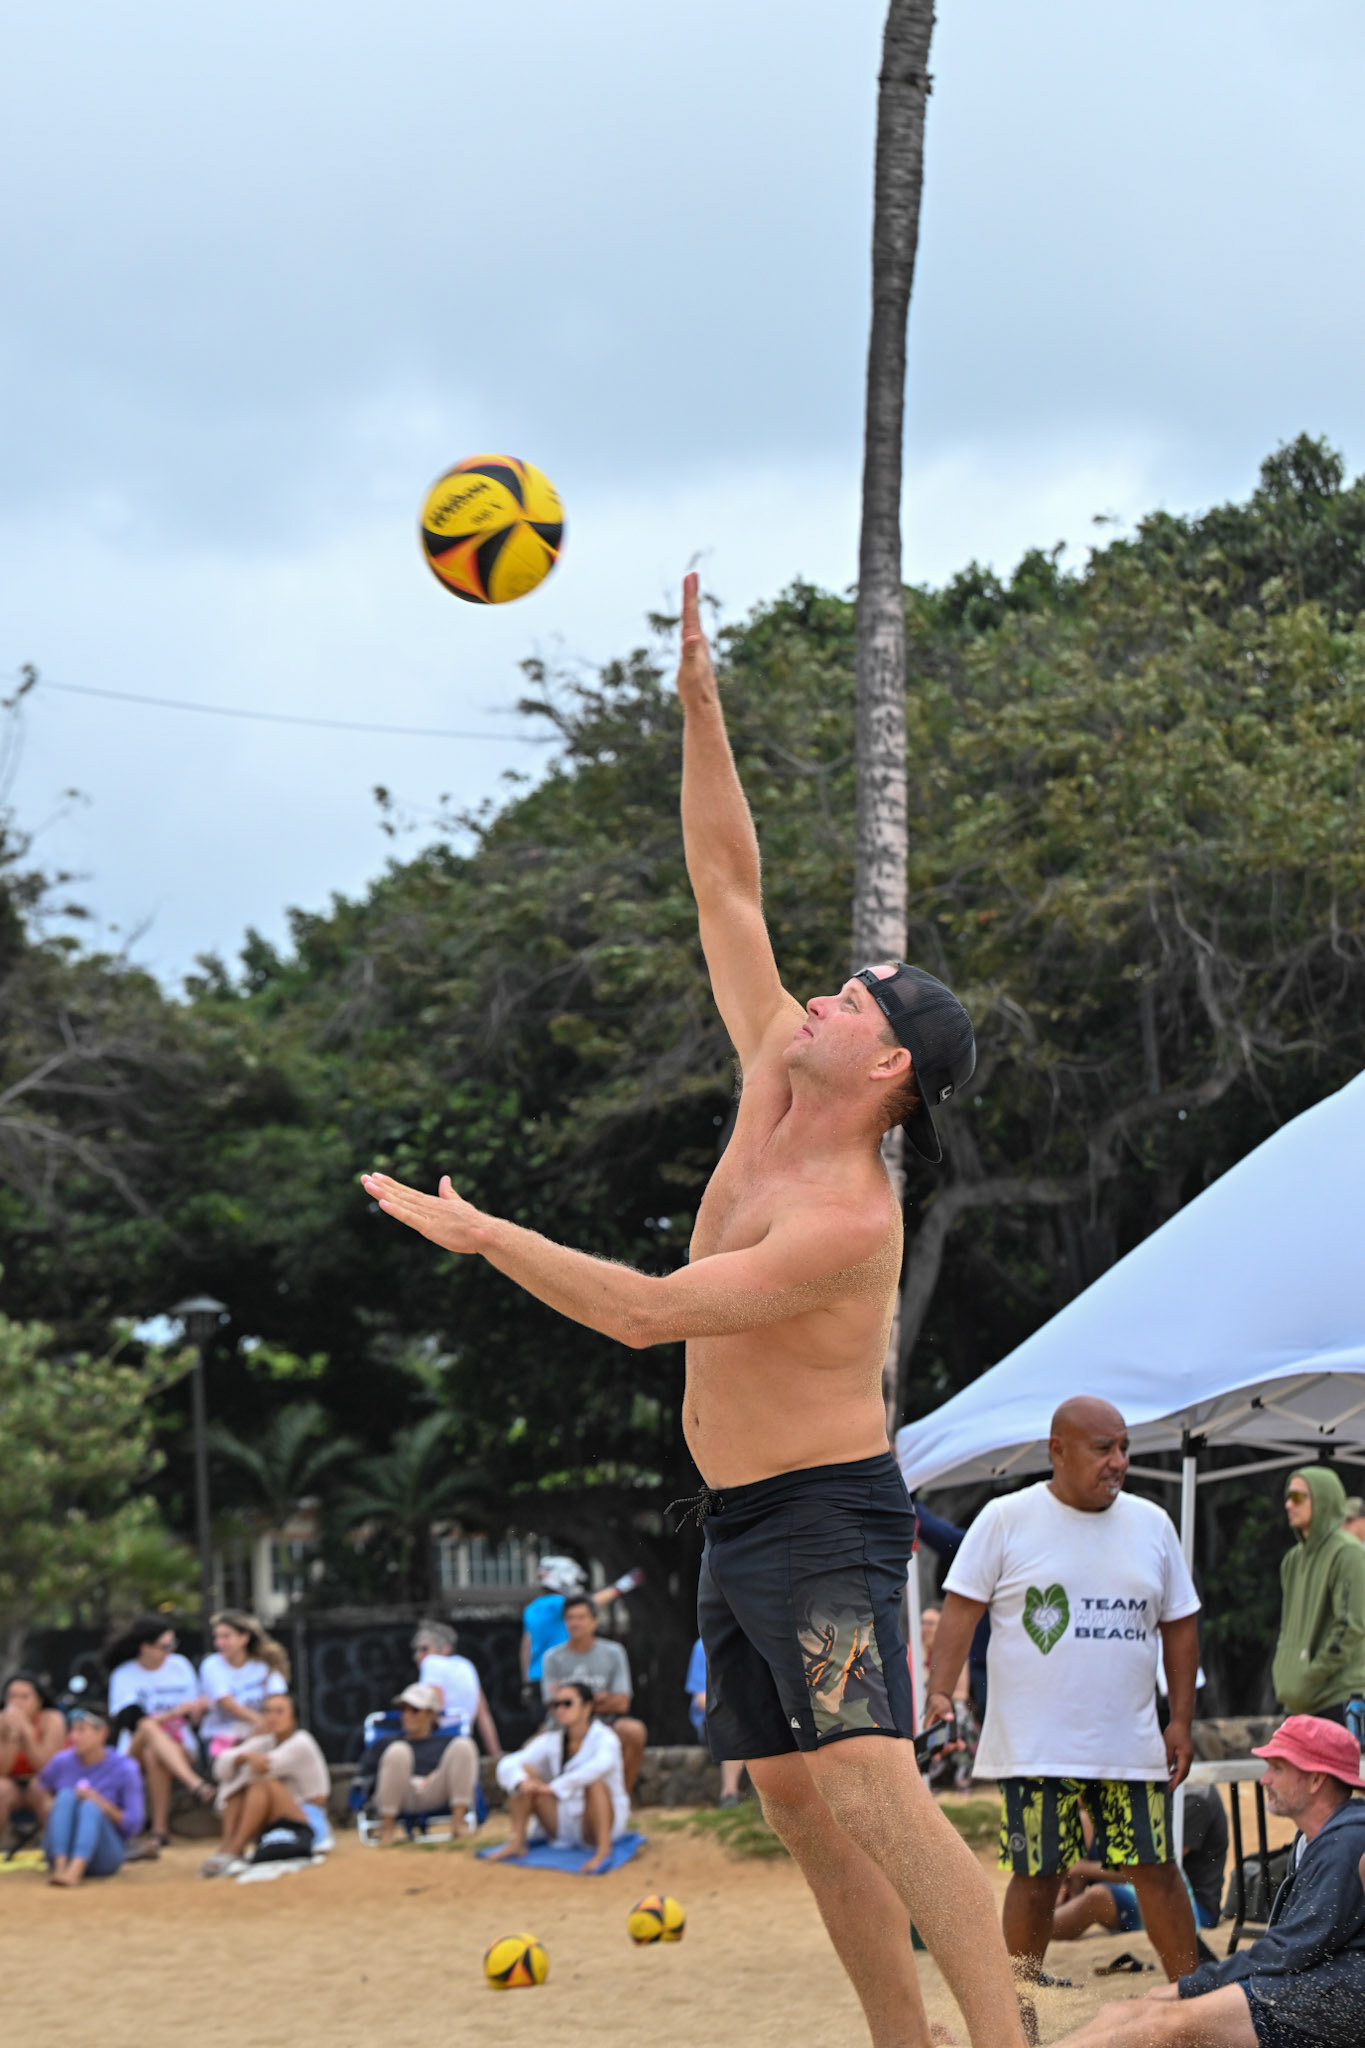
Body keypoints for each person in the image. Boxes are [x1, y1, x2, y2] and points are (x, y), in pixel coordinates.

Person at [363, 573, 1027, 2048]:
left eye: (859, 1000)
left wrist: (484, 1234)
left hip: (827, 1520)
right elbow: (726, 882)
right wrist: (700, 708)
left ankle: (1004, 2038)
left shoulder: (849, 1215)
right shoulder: (770, 1065)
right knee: (794, 1803)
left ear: (890, 1072)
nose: (830, 996)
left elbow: (657, 1316)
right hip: (737, 1521)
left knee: (873, 1791)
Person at [923, 1398, 1202, 1988]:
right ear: (1058, 1450)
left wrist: (1179, 1720)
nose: (1119, 1462)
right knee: (1038, 1873)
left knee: (1155, 1868)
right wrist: (941, 1692)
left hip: (1130, 1742)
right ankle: (1018, 2009)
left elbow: (1180, 1626)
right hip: (1037, 1744)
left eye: (1124, 1448)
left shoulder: (1152, 1524)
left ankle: (1192, 1995)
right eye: (1104, 1449)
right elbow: (960, 1611)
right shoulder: (1005, 1518)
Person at [1056, 1716, 1365, 2047]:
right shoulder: (1318, 1838)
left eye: (1277, 1768)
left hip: (1326, 2003)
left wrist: (1193, 1985)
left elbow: (1290, 1950)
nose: (1264, 1779)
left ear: (1316, 1779)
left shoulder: (1344, 1841)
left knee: (1159, 2023)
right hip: (1306, 1991)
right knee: (1129, 2012)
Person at [1051, 1783, 1227, 1947]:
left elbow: (1152, 1870)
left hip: (1194, 1909)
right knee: (1083, 1823)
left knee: (1098, 1897)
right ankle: (1065, 1900)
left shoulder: (1194, 1799)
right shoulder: (1154, 1786)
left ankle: (1039, 1930)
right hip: (1142, 1880)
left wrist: (1079, 1868)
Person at [490, 1681, 630, 1874]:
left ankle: (603, 1851)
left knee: (595, 1783)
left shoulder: (606, 1739)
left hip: (598, 1824)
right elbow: (508, 1764)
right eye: (556, 1705)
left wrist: (554, 1787)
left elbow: (598, 1767)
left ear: (587, 1707)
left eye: (567, 1703)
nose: (561, 1709)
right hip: (563, 1824)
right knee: (523, 1773)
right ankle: (517, 1842)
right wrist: (522, 1782)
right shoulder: (552, 1740)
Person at [104, 1615, 213, 1844]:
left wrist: (198, 1709)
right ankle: (194, 1784)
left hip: (177, 1744)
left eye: (172, 1645)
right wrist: (173, 1712)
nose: (170, 1651)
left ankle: (159, 1830)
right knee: (148, 1726)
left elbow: (192, 1717)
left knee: (155, 1755)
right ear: (145, 1646)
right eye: (164, 1646)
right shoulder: (124, 1675)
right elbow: (131, 1722)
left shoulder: (180, 1666)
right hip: (134, 1746)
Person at [201, 1691, 330, 1876]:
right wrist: (243, 1756)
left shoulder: (302, 1742)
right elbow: (220, 1767)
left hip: (309, 1822)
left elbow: (261, 1769)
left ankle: (235, 1848)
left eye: (279, 1712)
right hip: (277, 1819)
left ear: (294, 1718)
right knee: (240, 1780)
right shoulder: (264, 1742)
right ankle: (228, 1847)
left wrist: (225, 1792)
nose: (272, 1717)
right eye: (267, 1711)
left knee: (260, 1784)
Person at [1272, 1468, 1365, 1726]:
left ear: (1323, 1500)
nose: (1289, 1504)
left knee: (1339, 1769)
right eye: (1288, 1497)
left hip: (1339, 1696)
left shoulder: (1349, 1553)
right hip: (1298, 1700)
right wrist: (1287, 1676)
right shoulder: (1291, 1560)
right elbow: (1287, 1629)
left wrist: (1309, 1677)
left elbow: (1351, 1627)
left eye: (1299, 1497)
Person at [540, 1593, 647, 1793]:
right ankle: (552, 1797)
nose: (575, 1623)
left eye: (581, 1617)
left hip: (605, 1723)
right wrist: (598, 1699)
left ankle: (620, 1796)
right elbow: (553, 1705)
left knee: (634, 1731)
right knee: (534, 1744)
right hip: (563, 1726)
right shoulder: (552, 1658)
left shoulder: (614, 1652)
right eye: (570, 1618)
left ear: (594, 1621)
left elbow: (622, 1703)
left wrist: (574, 1704)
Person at [31, 1700, 143, 1886]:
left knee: (90, 1806)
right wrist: (47, 1803)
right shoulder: (62, 1761)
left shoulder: (125, 1768)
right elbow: (39, 1783)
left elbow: (133, 1825)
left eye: (82, 1730)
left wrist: (100, 1802)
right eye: (72, 1730)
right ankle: (60, 1867)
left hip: (104, 1857)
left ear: (102, 1733)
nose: (74, 1737)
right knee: (66, 1796)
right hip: (59, 1851)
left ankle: (75, 1869)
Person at [357, 1682, 481, 1845]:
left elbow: (468, 1772)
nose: (407, 1715)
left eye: (414, 1710)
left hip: (436, 1792)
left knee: (464, 1746)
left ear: (431, 1714)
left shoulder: (447, 1743)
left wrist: (434, 1776)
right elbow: (364, 1777)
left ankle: (458, 1825)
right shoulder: (385, 1743)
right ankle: (387, 1830)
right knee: (398, 1751)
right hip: (399, 1796)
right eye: (403, 1709)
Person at [519, 1557, 641, 1702]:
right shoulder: (558, 1604)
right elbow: (590, 1603)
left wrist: (526, 1681)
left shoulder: (531, 1609)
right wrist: (624, 1584)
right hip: (561, 1678)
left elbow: (526, 1647)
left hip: (535, 1678)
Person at [198, 1610, 290, 1756]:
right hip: (222, 1739)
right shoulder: (211, 1665)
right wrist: (260, 1721)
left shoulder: (263, 1665)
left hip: (262, 1734)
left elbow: (278, 1700)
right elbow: (226, 1703)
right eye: (217, 1637)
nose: (219, 1643)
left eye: (226, 1636)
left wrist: (267, 1724)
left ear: (244, 1638)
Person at [409, 1620, 502, 1758]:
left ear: (446, 1648)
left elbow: (435, 1707)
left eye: (424, 1649)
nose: (418, 1656)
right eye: (417, 1650)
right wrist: (497, 1756)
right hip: (464, 1745)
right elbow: (483, 1715)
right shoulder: (466, 1665)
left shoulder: (431, 1663)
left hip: (440, 1745)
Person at [0, 1670, 66, 1844]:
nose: (16, 1702)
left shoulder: (52, 1720)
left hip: (42, 1783)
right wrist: (13, 1736)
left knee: (40, 1786)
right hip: (11, 1785)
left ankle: (58, 1849)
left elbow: (47, 1767)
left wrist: (27, 1733)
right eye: (12, 1696)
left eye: (24, 1697)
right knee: (1, 1789)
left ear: (39, 1701)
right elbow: (2, 1770)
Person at [685, 1636, 745, 1806]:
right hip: (712, 1721)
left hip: (749, 1715)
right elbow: (701, 1701)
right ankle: (729, 1794)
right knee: (735, 1722)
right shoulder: (703, 1644)